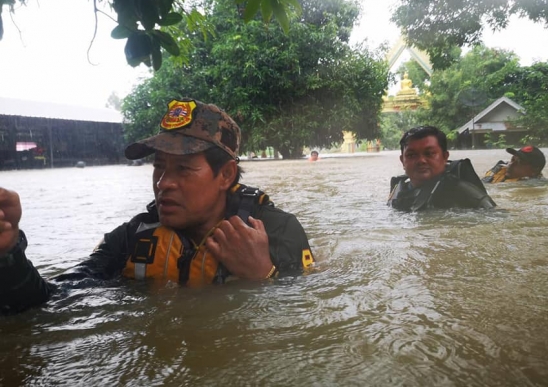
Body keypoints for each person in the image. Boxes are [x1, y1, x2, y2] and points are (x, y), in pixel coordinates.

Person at [0, 98, 315, 315]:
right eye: (159, 167)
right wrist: (9, 250)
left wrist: (265, 274)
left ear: (226, 175)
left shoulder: (278, 231)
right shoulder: (129, 239)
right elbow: (49, 305)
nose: (164, 183)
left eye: (183, 169)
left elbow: (310, 314)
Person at [387, 126, 496, 211]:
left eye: (429, 153)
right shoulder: (398, 189)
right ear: (402, 160)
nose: (421, 161)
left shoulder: (466, 194)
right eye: (411, 155)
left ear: (445, 157)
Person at [481, 145, 546, 183]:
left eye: (519, 162)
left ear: (534, 171)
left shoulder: (533, 184)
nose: (511, 164)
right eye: (512, 159)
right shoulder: (497, 171)